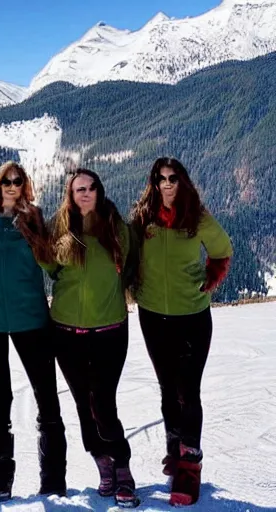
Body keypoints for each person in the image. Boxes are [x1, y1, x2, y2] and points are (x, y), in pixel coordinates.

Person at [130, 157, 233, 506]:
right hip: (152, 316)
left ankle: (190, 467)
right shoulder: (143, 216)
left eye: (173, 178)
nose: (167, 184)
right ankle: (176, 453)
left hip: (192, 316)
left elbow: (222, 251)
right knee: (167, 390)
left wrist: (210, 280)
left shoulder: (197, 215)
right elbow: (126, 253)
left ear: (182, 180)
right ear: (153, 182)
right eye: (160, 178)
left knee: (188, 390)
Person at [0, 161, 67, 501]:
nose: (12, 186)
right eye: (7, 181)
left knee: (47, 399)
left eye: (18, 181)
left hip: (33, 322)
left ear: (26, 185)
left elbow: (57, 264)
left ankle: (53, 483)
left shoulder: (36, 223)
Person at [46, 168, 139, 508]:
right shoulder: (58, 228)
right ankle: (103, 463)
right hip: (66, 332)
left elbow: (130, 266)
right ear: (70, 195)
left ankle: (123, 465)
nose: (84, 193)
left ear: (99, 191)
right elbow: (49, 266)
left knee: (103, 402)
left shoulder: (116, 228)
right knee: (83, 405)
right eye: (78, 189)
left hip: (110, 330)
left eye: (90, 188)